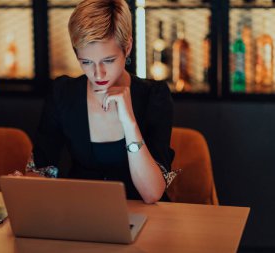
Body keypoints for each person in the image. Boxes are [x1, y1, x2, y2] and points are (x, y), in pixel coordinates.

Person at [32, 0, 175, 204]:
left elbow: (152, 193)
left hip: (146, 220)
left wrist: (129, 123)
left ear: (127, 48)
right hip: (82, 218)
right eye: (87, 62)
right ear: (76, 53)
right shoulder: (63, 93)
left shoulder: (154, 97)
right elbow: (40, 170)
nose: (98, 74)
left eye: (108, 60)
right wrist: (27, 181)